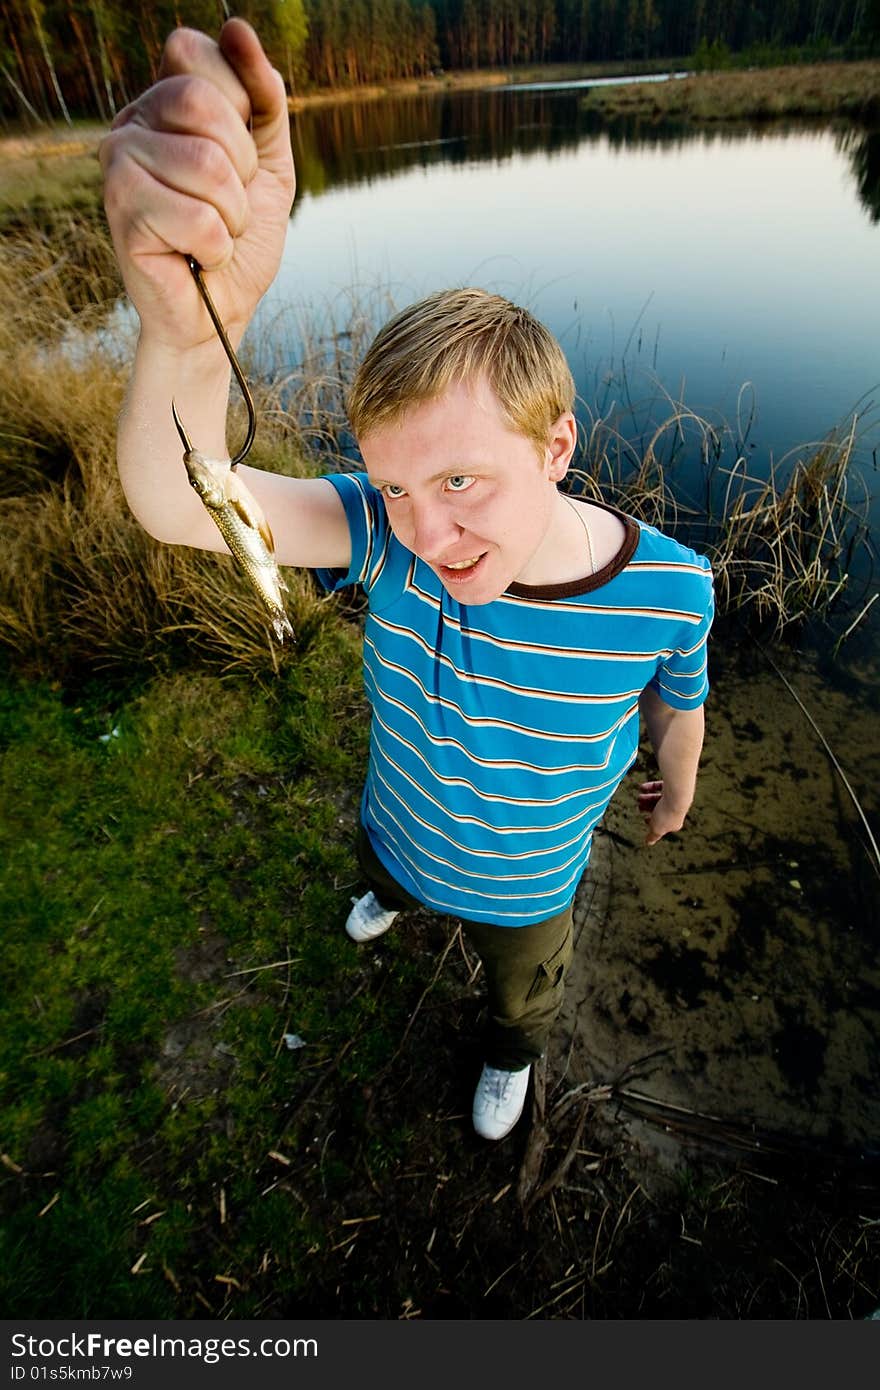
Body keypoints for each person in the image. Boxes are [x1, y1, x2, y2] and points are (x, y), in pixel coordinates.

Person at [100, 19, 713, 1143]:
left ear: (557, 447)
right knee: (388, 861)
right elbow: (178, 499)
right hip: (404, 818)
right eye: (393, 485)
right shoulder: (380, 537)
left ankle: (508, 1051)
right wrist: (189, 336)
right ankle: (391, 889)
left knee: (520, 987)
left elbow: (681, 695)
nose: (427, 530)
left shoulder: (673, 590)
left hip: (532, 886)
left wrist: (676, 782)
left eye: (462, 479)